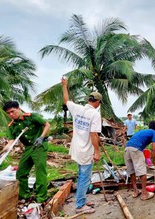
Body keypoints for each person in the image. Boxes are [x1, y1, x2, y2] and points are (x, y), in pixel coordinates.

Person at [62, 78, 102, 214]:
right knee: (85, 177)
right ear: (97, 102)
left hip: (76, 149)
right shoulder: (94, 114)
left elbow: (66, 100)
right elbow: (94, 135)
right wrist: (97, 152)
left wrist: (64, 86)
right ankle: (80, 206)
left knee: (81, 176)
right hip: (86, 150)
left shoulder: (77, 109)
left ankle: (82, 200)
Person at [2, 101, 50, 204]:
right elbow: (11, 140)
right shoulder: (11, 126)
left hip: (39, 145)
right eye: (8, 113)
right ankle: (25, 196)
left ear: (19, 109)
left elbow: (47, 124)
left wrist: (41, 137)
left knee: (39, 171)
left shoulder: (31, 117)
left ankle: (41, 198)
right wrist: (5, 149)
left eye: (12, 111)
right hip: (28, 148)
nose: (11, 114)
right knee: (21, 173)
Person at [124, 121, 155, 201]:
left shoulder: (143, 131)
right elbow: (153, 148)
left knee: (132, 171)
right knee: (142, 171)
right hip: (136, 149)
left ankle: (135, 191)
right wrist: (153, 161)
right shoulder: (154, 133)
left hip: (127, 149)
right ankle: (144, 194)